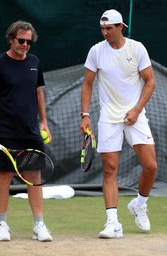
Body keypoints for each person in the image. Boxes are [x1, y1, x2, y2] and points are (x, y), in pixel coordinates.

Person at [80, 9, 157, 238]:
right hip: (109, 118)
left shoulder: (137, 48)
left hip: (135, 116)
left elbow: (150, 81)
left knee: (151, 166)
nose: (105, 33)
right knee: (110, 169)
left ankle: (139, 204)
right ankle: (113, 223)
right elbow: (87, 84)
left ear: (120, 27)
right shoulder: (96, 51)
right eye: (102, 29)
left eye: (109, 28)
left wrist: (136, 110)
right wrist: (85, 114)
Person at [0, 20, 52, 242]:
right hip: (4, 131)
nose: (25, 45)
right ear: (11, 39)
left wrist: (44, 123)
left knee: (34, 177)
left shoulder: (34, 62)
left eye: (29, 42)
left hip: (30, 131)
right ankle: (1, 224)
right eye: (21, 40)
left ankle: (39, 225)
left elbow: (38, 92)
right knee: (3, 176)